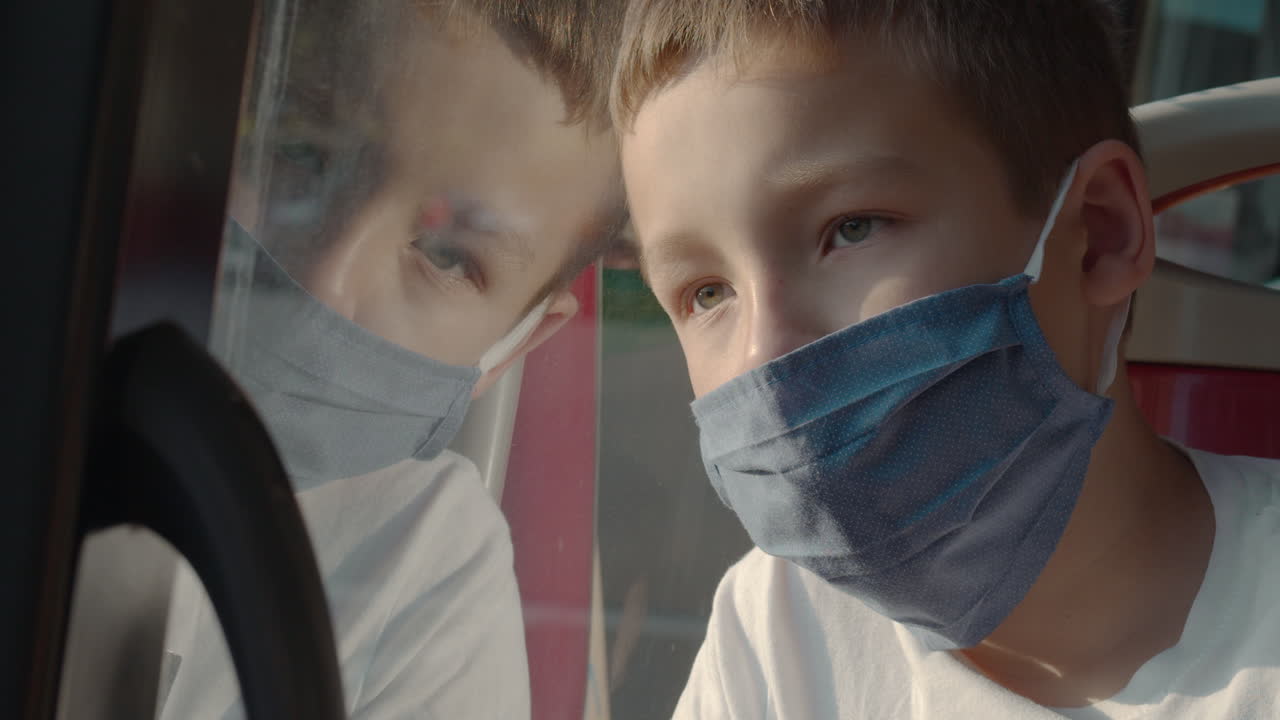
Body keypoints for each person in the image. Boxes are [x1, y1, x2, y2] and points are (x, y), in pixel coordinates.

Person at [610, 1, 1280, 717]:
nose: (762, 360)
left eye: (852, 229)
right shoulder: (774, 630)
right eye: (708, 293)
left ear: (1099, 233)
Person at [158, 1, 624, 718]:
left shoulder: (430, 569)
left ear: (517, 345)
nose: (329, 283)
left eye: (448, 256)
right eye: (301, 154)